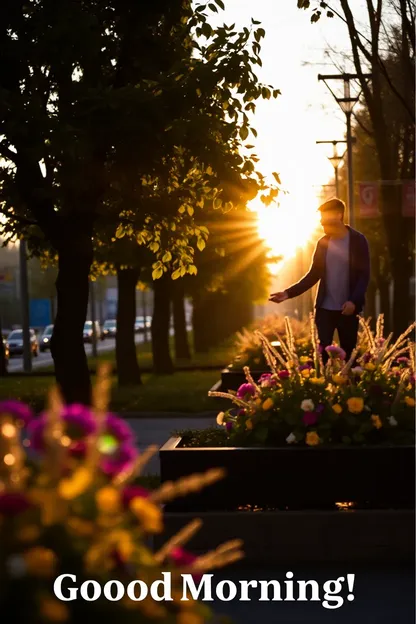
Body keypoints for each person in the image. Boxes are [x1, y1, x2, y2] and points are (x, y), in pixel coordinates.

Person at [269, 198, 370, 363]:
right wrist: (288, 293)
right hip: (324, 309)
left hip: (348, 310)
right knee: (322, 356)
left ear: (338, 216)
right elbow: (313, 274)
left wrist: (353, 301)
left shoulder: (358, 241)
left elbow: (363, 275)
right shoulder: (323, 243)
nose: (322, 223)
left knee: (349, 357)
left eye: (325, 218)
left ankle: (347, 387)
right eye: (321, 220)